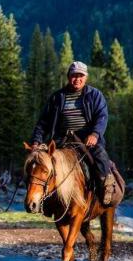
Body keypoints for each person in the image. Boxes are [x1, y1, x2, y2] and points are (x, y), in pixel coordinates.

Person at [30, 61, 115, 205]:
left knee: (100, 154)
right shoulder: (57, 97)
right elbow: (43, 122)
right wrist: (36, 141)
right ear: (69, 77)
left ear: (86, 77)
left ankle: (105, 185)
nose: (77, 79)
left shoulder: (95, 95)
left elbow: (102, 116)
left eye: (80, 76)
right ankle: (39, 196)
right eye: (74, 76)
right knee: (40, 160)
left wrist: (95, 134)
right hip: (62, 139)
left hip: (87, 138)